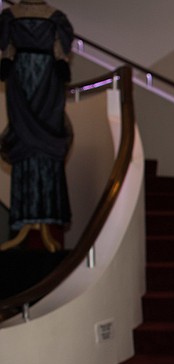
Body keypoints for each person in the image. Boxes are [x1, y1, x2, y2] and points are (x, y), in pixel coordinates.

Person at [0, 0, 73, 253]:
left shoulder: (56, 18)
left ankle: (41, 218)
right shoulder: (11, 16)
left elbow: (60, 52)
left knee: (44, 144)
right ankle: (29, 218)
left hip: (46, 85)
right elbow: (7, 48)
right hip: (22, 85)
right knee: (26, 142)